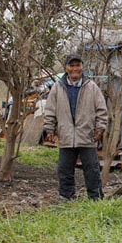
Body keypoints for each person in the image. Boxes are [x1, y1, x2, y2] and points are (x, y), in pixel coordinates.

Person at [44, 54, 108, 200]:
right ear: (66, 68)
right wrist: (49, 129)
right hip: (66, 135)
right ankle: (67, 198)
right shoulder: (57, 87)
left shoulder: (91, 87)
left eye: (77, 66)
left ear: (82, 67)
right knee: (65, 170)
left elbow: (101, 110)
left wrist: (100, 128)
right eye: (71, 66)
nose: (75, 69)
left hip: (87, 135)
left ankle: (96, 199)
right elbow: (50, 110)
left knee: (92, 169)